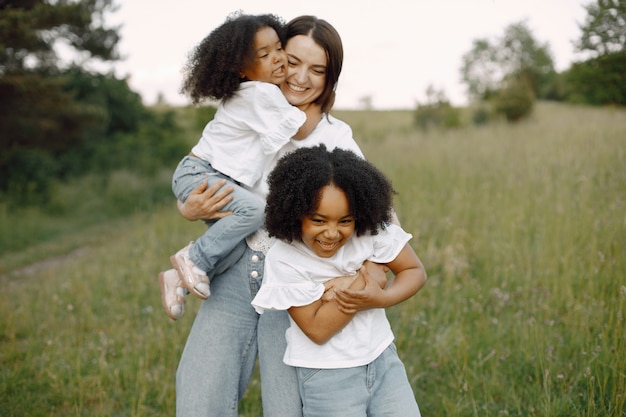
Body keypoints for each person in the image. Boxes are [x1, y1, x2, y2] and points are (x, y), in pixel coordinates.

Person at [173, 16, 406, 417]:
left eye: (317, 70)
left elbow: (382, 222)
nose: (299, 78)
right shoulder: (248, 109)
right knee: (199, 396)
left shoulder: (336, 139)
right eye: (292, 61)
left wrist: (368, 274)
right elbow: (201, 170)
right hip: (237, 273)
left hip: (298, 287)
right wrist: (187, 206)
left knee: (287, 408)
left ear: (330, 79)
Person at [159, 12, 322, 320]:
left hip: (206, 174)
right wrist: (320, 101)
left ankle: (176, 280)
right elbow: (299, 130)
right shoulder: (259, 92)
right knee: (254, 212)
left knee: (233, 248)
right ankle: (190, 258)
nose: (278, 58)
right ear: (242, 70)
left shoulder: (257, 92)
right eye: (264, 55)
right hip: (202, 174)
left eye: (278, 48)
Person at [251, 144, 426, 417]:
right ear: (294, 211)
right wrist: (363, 281)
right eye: (319, 220)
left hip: (382, 360)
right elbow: (318, 329)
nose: (332, 233)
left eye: (345, 220)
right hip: (327, 377)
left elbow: (414, 271)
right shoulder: (285, 258)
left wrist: (383, 297)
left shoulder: (368, 235)